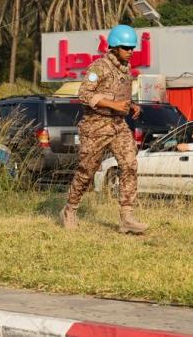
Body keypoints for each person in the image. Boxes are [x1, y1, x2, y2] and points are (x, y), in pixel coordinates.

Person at [61, 24, 148, 235]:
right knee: (87, 171)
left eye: (132, 48)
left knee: (129, 165)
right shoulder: (98, 67)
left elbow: (121, 97)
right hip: (96, 126)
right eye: (126, 47)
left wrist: (131, 105)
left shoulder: (126, 71)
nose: (130, 51)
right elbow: (84, 94)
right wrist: (112, 104)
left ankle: (126, 217)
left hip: (119, 126)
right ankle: (70, 209)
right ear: (115, 47)